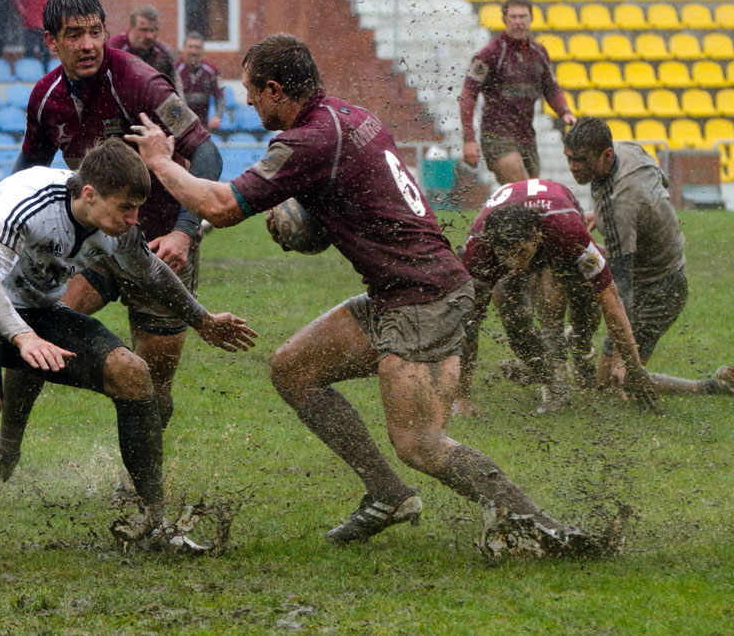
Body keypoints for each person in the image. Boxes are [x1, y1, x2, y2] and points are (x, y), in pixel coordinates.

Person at [125, 33, 598, 559]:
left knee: (419, 442)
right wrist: (315, 222)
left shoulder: (307, 142)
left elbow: (218, 206)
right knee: (293, 368)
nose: (249, 101)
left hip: (424, 297)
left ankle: (545, 526)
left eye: (254, 91)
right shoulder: (351, 116)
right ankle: (387, 494)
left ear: (277, 89)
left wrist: (161, 161)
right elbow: (365, 200)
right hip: (403, 289)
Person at [0, 138, 256, 571]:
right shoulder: (30, 201)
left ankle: (155, 523)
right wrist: (23, 338)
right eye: (125, 209)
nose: (133, 221)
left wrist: (202, 319)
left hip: (36, 308)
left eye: (137, 210)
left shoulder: (116, 225)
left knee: (132, 372)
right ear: (89, 194)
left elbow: (149, 270)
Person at [0, 0, 224, 496]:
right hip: (91, 244)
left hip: (161, 246)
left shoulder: (142, 84)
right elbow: (30, 170)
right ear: (51, 41)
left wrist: (183, 231)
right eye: (73, 35)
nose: (87, 44)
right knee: (37, 326)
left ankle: (138, 484)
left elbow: (209, 156)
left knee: (150, 378)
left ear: (106, 32)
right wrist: (1, 223)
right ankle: (9, 447)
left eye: (94, 32)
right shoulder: (45, 96)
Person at [563, 116, 734, 397]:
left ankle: (713, 387)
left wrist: (617, 350)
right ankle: (579, 346)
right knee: (577, 263)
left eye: (580, 160)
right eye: (569, 158)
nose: (573, 167)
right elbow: (660, 185)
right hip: (663, 265)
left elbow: (621, 291)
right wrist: (608, 218)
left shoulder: (618, 203)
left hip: (659, 291)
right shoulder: (628, 150)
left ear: (606, 155)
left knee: (613, 385)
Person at [457, 178, 658, 416]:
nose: (515, 264)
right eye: (506, 256)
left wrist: (634, 366)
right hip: (510, 233)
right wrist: (462, 397)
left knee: (584, 300)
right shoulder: (480, 250)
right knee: (515, 322)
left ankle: (581, 346)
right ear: (494, 249)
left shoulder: (566, 230)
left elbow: (610, 297)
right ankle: (551, 379)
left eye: (520, 252)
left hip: (558, 218)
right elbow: (469, 323)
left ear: (535, 235)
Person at [459, 0, 576, 185]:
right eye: (513, 17)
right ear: (504, 20)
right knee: (523, 192)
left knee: (533, 197)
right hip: (497, 135)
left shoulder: (539, 53)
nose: (518, 22)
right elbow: (468, 94)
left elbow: (552, 88)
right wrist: (469, 140)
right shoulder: (490, 53)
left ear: (531, 19)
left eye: (522, 16)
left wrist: (565, 112)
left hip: (527, 136)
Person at [106, 5, 178, 85]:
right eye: (143, 30)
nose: (150, 36)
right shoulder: (114, 47)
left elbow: (174, 86)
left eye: (154, 30)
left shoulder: (163, 52)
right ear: (131, 27)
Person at [176, 32, 225, 132]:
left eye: (197, 47)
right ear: (183, 49)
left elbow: (220, 98)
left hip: (202, 129)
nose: (193, 51)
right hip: (179, 128)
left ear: (202, 50)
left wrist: (217, 117)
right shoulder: (175, 71)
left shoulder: (212, 71)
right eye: (190, 47)